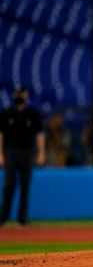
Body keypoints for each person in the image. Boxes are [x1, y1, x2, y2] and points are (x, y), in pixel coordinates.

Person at [0, 86, 45, 226]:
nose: (19, 96)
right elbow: (1, 134)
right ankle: (3, 218)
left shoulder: (32, 113)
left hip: (27, 152)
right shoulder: (7, 112)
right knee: (8, 186)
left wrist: (41, 152)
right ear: (14, 95)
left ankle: (23, 218)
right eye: (17, 93)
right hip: (11, 152)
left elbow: (39, 133)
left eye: (22, 93)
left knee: (26, 186)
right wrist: (0, 154)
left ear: (26, 95)